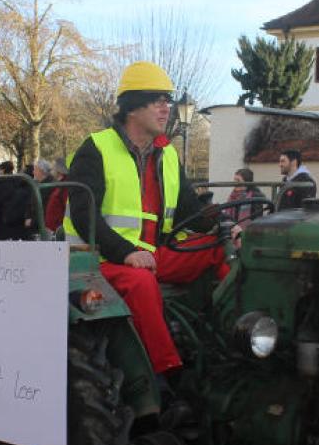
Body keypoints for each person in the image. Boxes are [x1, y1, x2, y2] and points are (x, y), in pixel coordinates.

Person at [65, 61, 227, 378]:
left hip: (152, 254)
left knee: (220, 247)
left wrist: (225, 226)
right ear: (133, 107)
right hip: (96, 258)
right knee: (141, 282)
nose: (167, 108)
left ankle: (237, 338)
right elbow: (86, 218)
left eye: (168, 100)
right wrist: (127, 253)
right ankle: (166, 371)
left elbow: (190, 211)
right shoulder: (96, 148)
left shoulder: (167, 156)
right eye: (158, 100)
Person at [43, 158, 70, 232]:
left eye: (53, 168)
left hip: (57, 231)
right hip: (52, 229)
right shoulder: (59, 186)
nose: (51, 170)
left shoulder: (65, 187)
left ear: (59, 170)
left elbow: (65, 208)